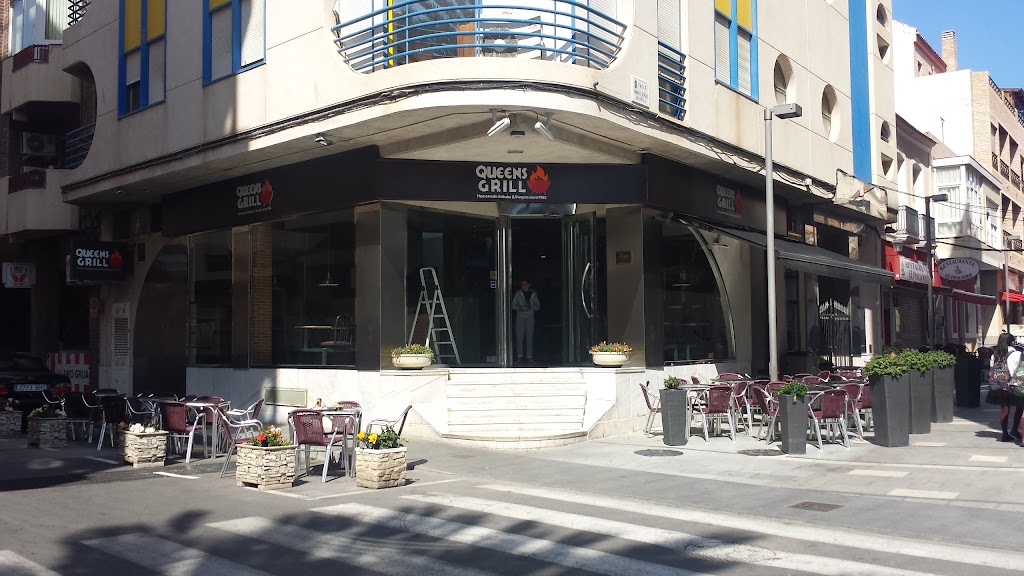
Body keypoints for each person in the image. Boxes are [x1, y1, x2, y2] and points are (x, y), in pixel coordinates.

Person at [985, 333, 1024, 442]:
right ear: (1012, 342)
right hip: (1013, 384)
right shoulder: (1016, 354)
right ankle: (1015, 429)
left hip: (1001, 384)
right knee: (1020, 407)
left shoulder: (995, 355)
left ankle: (1005, 434)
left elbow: (992, 368)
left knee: (1005, 408)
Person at [512, 279, 540, 364]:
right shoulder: (518, 293)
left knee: (529, 337)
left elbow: (538, 306)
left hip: (530, 317)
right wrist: (520, 308)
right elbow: (513, 305)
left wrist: (530, 306)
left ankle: (529, 357)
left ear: (529, 285)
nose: (523, 286)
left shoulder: (533, 294)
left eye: (525, 284)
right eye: (522, 285)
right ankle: (519, 357)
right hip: (520, 317)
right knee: (519, 337)